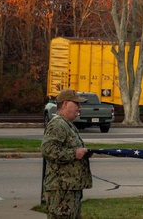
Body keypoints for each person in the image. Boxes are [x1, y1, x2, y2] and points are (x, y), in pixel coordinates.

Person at [41, 89, 93, 219]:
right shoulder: (58, 124)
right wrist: (74, 154)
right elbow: (48, 149)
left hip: (69, 188)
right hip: (61, 191)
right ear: (65, 104)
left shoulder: (67, 124)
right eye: (76, 104)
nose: (79, 108)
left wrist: (83, 153)